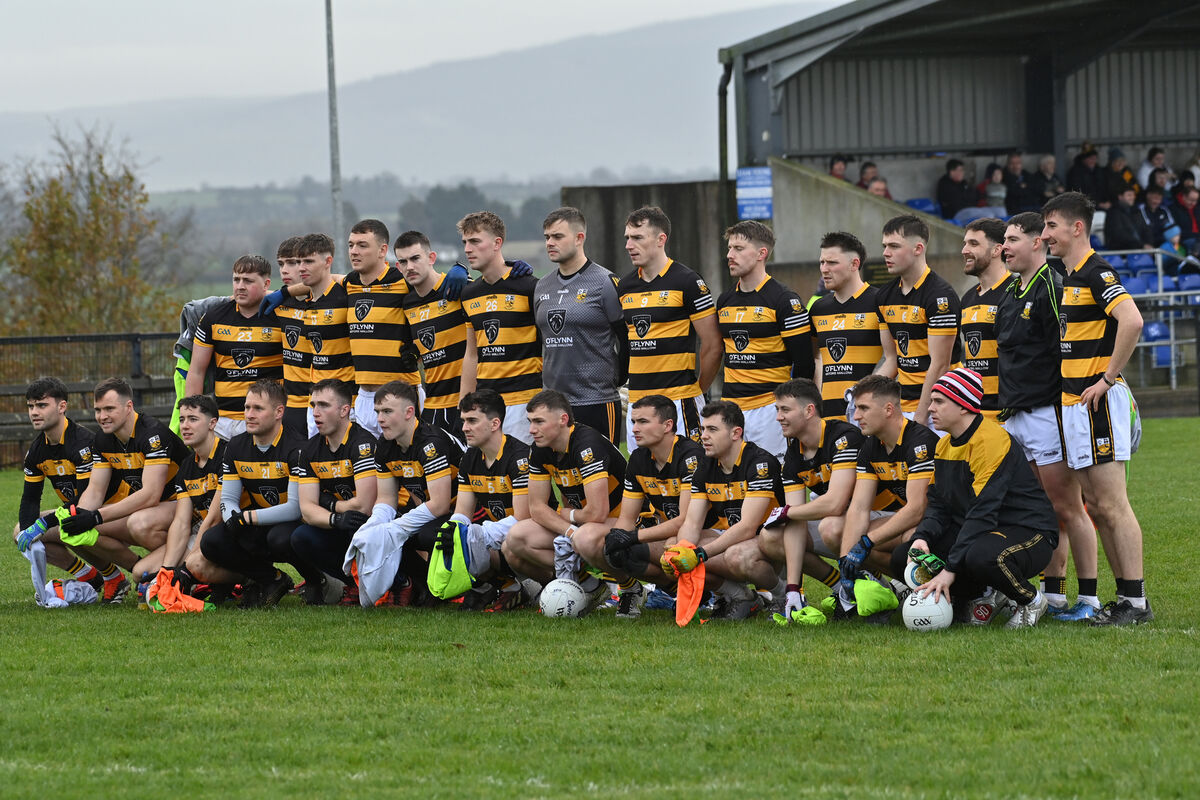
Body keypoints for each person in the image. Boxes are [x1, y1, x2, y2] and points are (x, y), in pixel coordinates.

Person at [1042, 191, 1150, 625]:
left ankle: (1136, 604)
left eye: (1051, 226)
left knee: (1112, 503)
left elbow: (1133, 319)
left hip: (1097, 402)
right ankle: (1125, 599)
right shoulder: (1069, 275)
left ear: (1076, 228)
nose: (1046, 234)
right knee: (1097, 505)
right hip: (1075, 405)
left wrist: (1107, 379)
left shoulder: (1096, 272)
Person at [996, 213, 1099, 620]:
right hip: (1016, 413)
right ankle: (1053, 594)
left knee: (1068, 506)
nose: (1005, 247)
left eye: (1013, 239)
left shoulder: (1051, 286)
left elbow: (1066, 347)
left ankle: (1088, 599)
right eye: (1003, 239)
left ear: (1038, 242)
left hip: (1046, 412)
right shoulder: (1011, 291)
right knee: (1038, 509)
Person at [909, 368, 1058, 627]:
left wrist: (949, 570)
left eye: (939, 401)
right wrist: (922, 537)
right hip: (986, 532)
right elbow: (939, 505)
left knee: (983, 556)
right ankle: (974, 599)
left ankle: (1030, 600)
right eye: (932, 401)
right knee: (906, 554)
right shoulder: (944, 445)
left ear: (964, 406)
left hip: (1029, 531)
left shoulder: (991, 440)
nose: (930, 408)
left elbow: (983, 512)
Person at [722, 379, 856, 618]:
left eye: (785, 409)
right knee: (772, 537)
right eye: (776, 410)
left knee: (831, 526)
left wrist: (786, 512)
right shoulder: (795, 452)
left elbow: (835, 503)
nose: (778, 417)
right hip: (846, 525)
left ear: (809, 410)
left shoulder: (842, 436)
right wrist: (794, 588)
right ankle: (840, 588)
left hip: (881, 520)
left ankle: (881, 585)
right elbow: (795, 517)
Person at [53, 378, 190, 601]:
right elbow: (95, 490)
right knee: (75, 531)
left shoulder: (152, 434)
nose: (102, 416)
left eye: (109, 409)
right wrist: (80, 515)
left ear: (128, 407)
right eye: (98, 410)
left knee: (139, 523)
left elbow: (151, 494)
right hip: (159, 510)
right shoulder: (103, 439)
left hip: (186, 505)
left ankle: (184, 566)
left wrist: (96, 516)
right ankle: (139, 574)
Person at [501, 390, 627, 613]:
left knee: (585, 539)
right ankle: (590, 586)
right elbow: (537, 508)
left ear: (563, 419)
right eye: (530, 422)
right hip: (584, 522)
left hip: (623, 519)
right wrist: (570, 531)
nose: (532, 430)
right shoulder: (539, 449)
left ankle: (631, 588)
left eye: (539, 421)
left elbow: (598, 512)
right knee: (513, 542)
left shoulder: (587, 445)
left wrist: (567, 516)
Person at [659, 400, 784, 620]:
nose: (703, 436)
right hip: (737, 541)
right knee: (675, 546)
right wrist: (680, 551)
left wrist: (699, 555)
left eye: (713, 430)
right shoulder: (705, 467)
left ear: (736, 433)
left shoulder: (760, 463)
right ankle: (741, 596)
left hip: (773, 543)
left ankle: (783, 595)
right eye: (704, 429)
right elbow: (691, 522)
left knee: (736, 556)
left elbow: (748, 527)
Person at [199, 380, 318, 607]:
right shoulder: (235, 446)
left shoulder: (297, 447)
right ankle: (271, 579)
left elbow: (295, 507)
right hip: (256, 520)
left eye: (258, 408)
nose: (249, 414)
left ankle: (315, 580)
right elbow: (228, 500)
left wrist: (247, 518)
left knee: (281, 539)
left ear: (278, 412)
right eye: (246, 407)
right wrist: (233, 517)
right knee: (212, 541)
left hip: (294, 523)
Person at [347, 380, 464, 606]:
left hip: (464, 510)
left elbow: (440, 504)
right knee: (370, 530)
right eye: (378, 411)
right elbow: (386, 499)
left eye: (387, 411)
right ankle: (419, 584)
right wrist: (374, 525)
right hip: (429, 508)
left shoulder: (431, 444)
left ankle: (453, 587)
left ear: (409, 412)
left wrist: (397, 527)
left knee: (424, 535)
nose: (379, 419)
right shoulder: (385, 444)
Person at [589, 394, 705, 618]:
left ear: (667, 425)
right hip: (672, 534)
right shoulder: (639, 458)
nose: (634, 429)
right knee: (601, 543)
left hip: (707, 534)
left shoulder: (691, 456)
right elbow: (626, 518)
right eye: (633, 422)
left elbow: (685, 521)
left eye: (643, 422)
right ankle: (661, 591)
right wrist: (618, 538)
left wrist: (633, 537)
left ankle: (720, 594)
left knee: (673, 546)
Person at [616, 206, 721, 450]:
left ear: (661, 239)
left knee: (689, 478)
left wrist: (697, 390)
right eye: (627, 238)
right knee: (645, 479)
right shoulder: (625, 286)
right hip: (639, 405)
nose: (629, 245)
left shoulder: (688, 281)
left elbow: (713, 345)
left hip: (678, 402)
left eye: (637, 237)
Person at [13, 377, 124, 598]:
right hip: (75, 512)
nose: (34, 412)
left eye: (42, 405)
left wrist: (44, 523)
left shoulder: (82, 444)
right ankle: (89, 576)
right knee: (20, 532)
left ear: (62, 406)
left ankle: (115, 578)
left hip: (111, 512)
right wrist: (29, 530)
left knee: (70, 525)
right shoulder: (36, 452)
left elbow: (86, 499)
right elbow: (30, 499)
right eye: (31, 406)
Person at [834, 375, 937, 610]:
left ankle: (954, 590)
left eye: (863, 408)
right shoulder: (871, 445)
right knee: (840, 533)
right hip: (914, 522)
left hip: (940, 524)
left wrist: (866, 542)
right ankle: (897, 587)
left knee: (908, 536)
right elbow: (859, 508)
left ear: (888, 409)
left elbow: (917, 509)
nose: (856, 416)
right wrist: (845, 562)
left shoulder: (920, 442)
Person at [715, 220, 812, 458]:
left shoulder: (785, 300)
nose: (730, 255)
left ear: (761, 253)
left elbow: (804, 363)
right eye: (729, 248)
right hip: (730, 409)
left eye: (738, 249)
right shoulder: (725, 300)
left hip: (770, 411)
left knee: (773, 484)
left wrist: (790, 409)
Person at [534, 207, 627, 441]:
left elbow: (626, 338)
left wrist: (618, 379)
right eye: (547, 237)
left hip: (597, 400)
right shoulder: (541, 286)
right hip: (554, 405)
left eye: (557, 236)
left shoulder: (605, 282)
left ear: (579, 238)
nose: (550, 243)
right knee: (564, 475)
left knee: (604, 475)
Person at [289, 379, 378, 603]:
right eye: (313, 405)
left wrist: (329, 504)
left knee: (356, 523)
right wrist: (336, 517)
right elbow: (307, 509)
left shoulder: (363, 443)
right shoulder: (309, 450)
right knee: (300, 537)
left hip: (373, 524)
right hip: (340, 522)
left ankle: (399, 582)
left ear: (344, 410)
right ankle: (352, 585)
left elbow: (365, 505)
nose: (316, 413)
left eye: (324, 405)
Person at [458, 211, 542, 444]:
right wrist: (464, 403)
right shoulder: (469, 293)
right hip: (485, 403)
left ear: (497, 243)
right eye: (465, 242)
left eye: (475, 241)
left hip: (523, 399)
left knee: (522, 475)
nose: (467, 249)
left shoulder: (528, 286)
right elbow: (472, 354)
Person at [447, 389, 533, 612]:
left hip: (533, 537)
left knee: (505, 540)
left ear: (495, 424)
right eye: (464, 420)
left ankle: (544, 584)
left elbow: (523, 518)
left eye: (472, 420)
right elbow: (462, 513)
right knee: (452, 534)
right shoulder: (470, 458)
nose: (465, 427)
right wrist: (452, 531)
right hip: (503, 537)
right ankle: (504, 587)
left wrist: (479, 534)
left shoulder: (520, 457)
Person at [126, 394, 226, 585]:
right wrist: (168, 570)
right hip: (202, 530)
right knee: (141, 573)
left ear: (212, 423)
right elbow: (181, 522)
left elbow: (214, 519)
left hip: (226, 532)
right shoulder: (187, 465)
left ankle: (243, 582)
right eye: (182, 419)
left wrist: (185, 568)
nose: (185, 426)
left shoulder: (227, 455)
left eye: (193, 419)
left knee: (195, 566)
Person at [876, 215, 963, 431]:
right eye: (885, 246)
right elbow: (892, 359)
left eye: (894, 246)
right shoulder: (885, 296)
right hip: (902, 406)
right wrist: (863, 391)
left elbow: (940, 364)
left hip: (940, 406)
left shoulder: (940, 296)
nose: (886, 253)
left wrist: (921, 416)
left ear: (918, 248)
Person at [184, 255, 283, 441]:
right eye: (236, 279)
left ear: (266, 283)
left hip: (268, 421)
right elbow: (197, 370)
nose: (240, 286)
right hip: (223, 421)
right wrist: (191, 416)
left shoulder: (282, 318)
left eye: (248, 280)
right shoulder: (213, 318)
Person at [342, 219, 422, 438]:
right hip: (363, 398)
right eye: (350, 245)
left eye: (362, 245)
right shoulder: (349, 284)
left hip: (399, 395)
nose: (354, 251)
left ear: (382, 250)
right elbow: (323, 280)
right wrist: (279, 294)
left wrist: (460, 273)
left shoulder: (404, 281)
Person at [808, 232, 893, 421]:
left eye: (832, 263)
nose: (824, 269)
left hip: (867, 417)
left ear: (854, 264)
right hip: (828, 419)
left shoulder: (879, 302)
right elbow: (815, 357)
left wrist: (863, 394)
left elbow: (893, 359)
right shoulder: (818, 308)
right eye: (822, 262)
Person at [397, 229, 472, 438]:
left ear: (431, 258)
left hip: (465, 404)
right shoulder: (408, 303)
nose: (409, 266)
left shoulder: (458, 289)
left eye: (415, 258)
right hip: (432, 405)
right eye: (403, 262)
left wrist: (463, 269)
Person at [958, 218, 1011, 418]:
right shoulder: (968, 298)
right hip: (976, 411)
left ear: (997, 250)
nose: (964, 250)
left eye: (973, 243)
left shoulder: (1015, 293)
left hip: (1009, 412)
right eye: (965, 243)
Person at [1003, 150, 1038, 214]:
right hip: (1014, 210)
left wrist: (1021, 188)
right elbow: (1013, 192)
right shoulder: (1004, 176)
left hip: (1031, 207)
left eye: (1018, 163)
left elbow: (1034, 189)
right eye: (1012, 163)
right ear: (1008, 164)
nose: (1015, 166)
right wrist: (1023, 188)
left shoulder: (1027, 175)